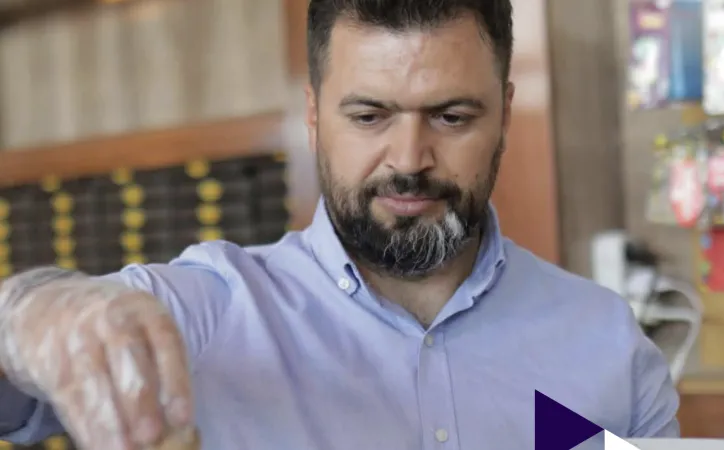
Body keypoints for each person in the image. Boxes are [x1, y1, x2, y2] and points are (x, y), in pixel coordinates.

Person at [0, 1, 688, 448]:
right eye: (369, 117)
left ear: (505, 113)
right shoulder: (210, 310)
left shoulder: (609, 345)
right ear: (313, 113)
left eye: (452, 117)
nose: (410, 161)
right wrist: (34, 316)